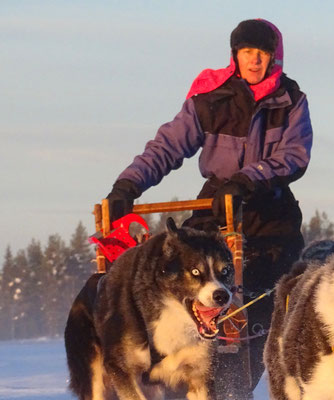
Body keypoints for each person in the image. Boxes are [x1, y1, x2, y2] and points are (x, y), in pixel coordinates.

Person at [104, 18, 312, 398]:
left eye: (262, 54)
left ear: (274, 57)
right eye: (246, 52)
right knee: (189, 282)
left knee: (262, 312)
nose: (254, 61)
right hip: (215, 212)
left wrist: (247, 180)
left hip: (270, 217)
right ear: (235, 56)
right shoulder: (211, 98)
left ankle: (232, 389)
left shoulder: (291, 101)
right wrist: (127, 185)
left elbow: (294, 156)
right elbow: (167, 147)